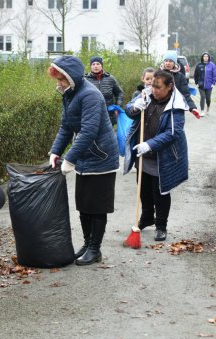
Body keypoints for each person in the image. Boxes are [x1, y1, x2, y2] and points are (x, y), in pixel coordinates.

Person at [47, 55, 119, 266]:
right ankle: (87, 244)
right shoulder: (70, 93)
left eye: (61, 79)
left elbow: (88, 131)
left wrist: (69, 159)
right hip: (86, 155)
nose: (59, 83)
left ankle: (95, 249)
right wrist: (56, 151)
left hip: (101, 155)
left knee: (97, 206)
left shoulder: (90, 96)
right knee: (84, 204)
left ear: (71, 77)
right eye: (58, 79)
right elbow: (66, 126)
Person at [123, 69, 189, 242]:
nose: (154, 90)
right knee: (143, 189)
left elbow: (173, 133)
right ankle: (146, 217)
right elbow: (128, 109)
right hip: (143, 155)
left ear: (170, 87)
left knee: (160, 191)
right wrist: (135, 107)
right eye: (152, 86)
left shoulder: (176, 105)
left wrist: (149, 144)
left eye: (158, 87)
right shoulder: (145, 95)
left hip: (163, 156)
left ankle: (161, 225)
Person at [85, 56, 124, 126]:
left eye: (98, 64)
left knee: (107, 136)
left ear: (101, 65)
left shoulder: (110, 78)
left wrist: (117, 106)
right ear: (90, 66)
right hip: (91, 115)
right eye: (93, 64)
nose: (95, 66)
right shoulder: (85, 80)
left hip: (108, 115)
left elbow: (119, 93)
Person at [161, 50, 201, 119]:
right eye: (166, 61)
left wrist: (192, 107)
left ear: (174, 63)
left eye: (170, 61)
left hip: (176, 109)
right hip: (161, 109)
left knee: (177, 129)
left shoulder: (180, 76)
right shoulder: (158, 75)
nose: (168, 63)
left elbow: (185, 94)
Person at [193, 52, 216, 117]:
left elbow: (215, 75)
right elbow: (196, 75)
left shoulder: (212, 65)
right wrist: (196, 83)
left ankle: (208, 107)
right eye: (204, 56)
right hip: (200, 85)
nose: (206, 57)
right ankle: (202, 111)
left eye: (207, 56)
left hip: (209, 85)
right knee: (202, 97)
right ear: (202, 57)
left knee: (208, 98)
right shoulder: (199, 65)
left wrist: (213, 83)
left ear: (208, 57)